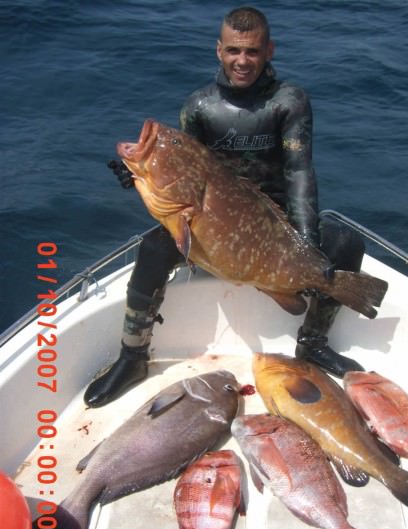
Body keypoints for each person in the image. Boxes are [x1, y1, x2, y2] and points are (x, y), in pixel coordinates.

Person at [84, 6, 365, 408]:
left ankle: (313, 344)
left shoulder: (289, 101)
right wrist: (141, 176)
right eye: (234, 50)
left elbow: (299, 171)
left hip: (275, 218)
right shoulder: (199, 106)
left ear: (269, 51)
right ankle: (132, 356)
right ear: (219, 50)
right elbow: (185, 171)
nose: (242, 60)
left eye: (252, 51)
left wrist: (306, 244)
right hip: (211, 216)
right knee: (152, 250)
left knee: (347, 244)